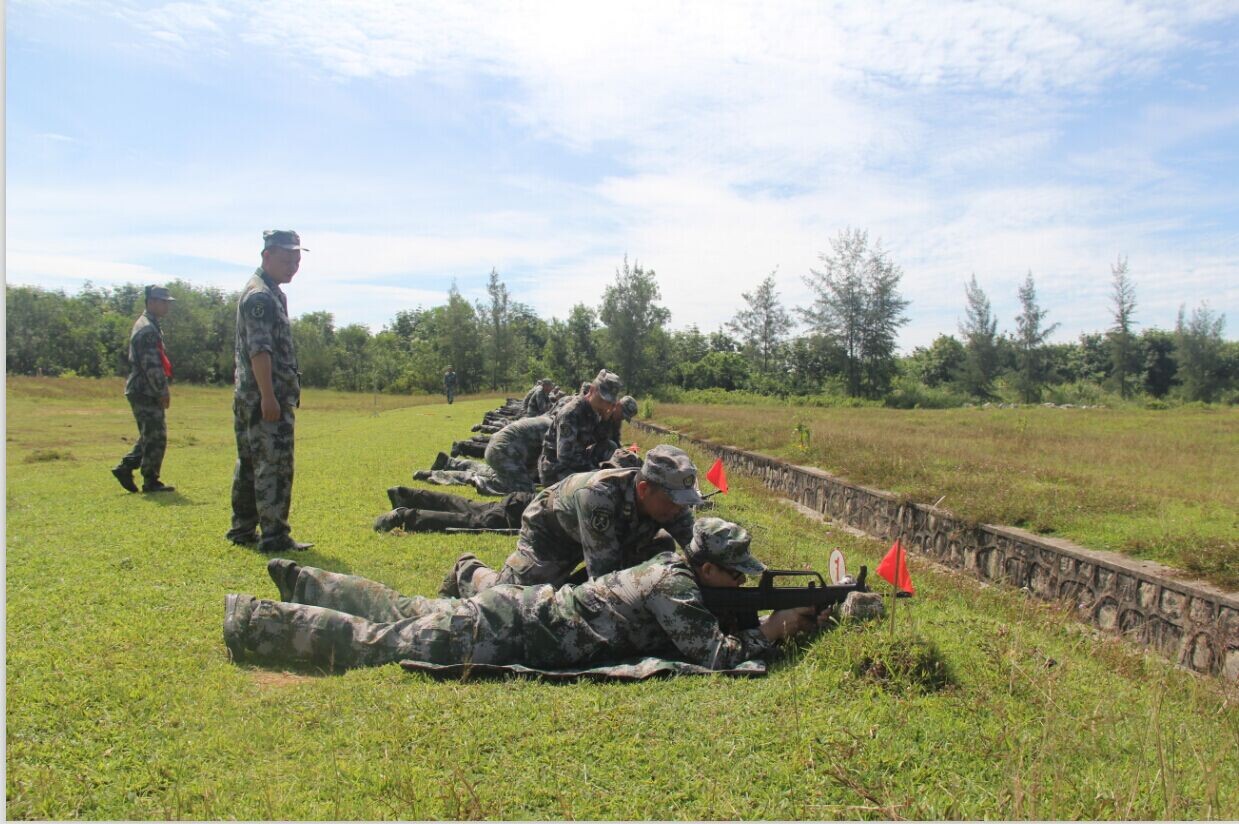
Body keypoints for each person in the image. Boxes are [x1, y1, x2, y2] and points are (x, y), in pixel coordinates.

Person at [223, 518, 820, 671]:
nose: (742, 583)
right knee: (384, 640)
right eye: (735, 573)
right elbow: (716, 656)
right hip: (515, 629)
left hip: (520, 611)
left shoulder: (671, 566)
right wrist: (781, 625)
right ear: (707, 563)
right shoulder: (675, 585)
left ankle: (303, 579)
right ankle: (257, 623)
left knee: (409, 609)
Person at [445, 443, 699, 598]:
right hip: (552, 532)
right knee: (514, 597)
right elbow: (604, 578)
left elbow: (698, 549)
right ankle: (467, 570)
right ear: (644, 489)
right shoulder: (599, 496)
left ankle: (564, 590)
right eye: (674, 502)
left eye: (685, 501)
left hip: (609, 538)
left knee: (661, 546)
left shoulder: (670, 503)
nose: (680, 510)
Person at [225, 230, 313, 554]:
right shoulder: (260, 296)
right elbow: (259, 350)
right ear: (266, 256)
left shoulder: (271, 292)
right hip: (264, 397)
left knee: (250, 462)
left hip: (255, 396)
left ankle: (242, 529)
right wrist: (268, 396)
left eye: (297, 260)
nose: (293, 265)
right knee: (273, 465)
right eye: (286, 259)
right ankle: (274, 535)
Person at [111, 285, 177, 493]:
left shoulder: (149, 324)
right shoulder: (147, 329)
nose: (167, 306)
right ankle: (150, 480)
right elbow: (151, 365)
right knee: (156, 435)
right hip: (145, 389)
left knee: (151, 434)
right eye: (163, 302)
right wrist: (162, 390)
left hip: (141, 388)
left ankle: (126, 467)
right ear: (151, 302)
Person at [538, 369, 622, 486]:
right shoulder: (571, 413)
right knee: (596, 484)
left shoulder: (595, 410)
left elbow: (600, 439)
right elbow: (565, 456)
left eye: (608, 401)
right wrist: (594, 470)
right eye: (602, 398)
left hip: (578, 459)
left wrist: (606, 420)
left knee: (609, 446)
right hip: (556, 468)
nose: (605, 404)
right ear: (592, 390)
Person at [374, 487, 536, 533]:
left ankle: (410, 495)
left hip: (524, 501)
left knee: (469, 506)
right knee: (477, 522)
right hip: (533, 511)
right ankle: (404, 517)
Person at [483, 413, 551, 493]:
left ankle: (491, 473)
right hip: (503, 453)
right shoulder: (551, 427)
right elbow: (550, 459)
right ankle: (479, 480)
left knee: (527, 480)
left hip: (500, 451)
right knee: (526, 490)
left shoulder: (546, 421)